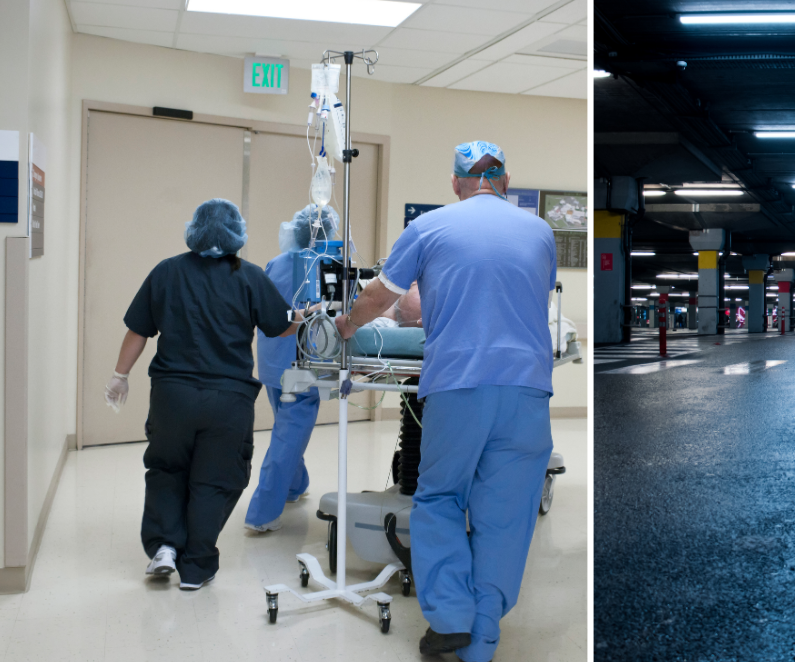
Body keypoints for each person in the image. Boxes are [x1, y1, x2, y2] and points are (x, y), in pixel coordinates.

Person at [335, 141, 555, 662]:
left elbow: (382, 297)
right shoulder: (541, 231)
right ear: (506, 181)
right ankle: (480, 641)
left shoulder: (430, 227)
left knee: (439, 499)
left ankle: (451, 616)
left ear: (456, 184)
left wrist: (346, 325)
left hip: (459, 385)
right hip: (527, 391)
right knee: (506, 515)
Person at [104, 198, 302, 590]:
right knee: (215, 478)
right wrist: (302, 317)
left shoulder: (166, 272)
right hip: (227, 400)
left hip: (172, 398)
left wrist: (119, 375)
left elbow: (138, 330)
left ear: (193, 229)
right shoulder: (249, 277)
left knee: (167, 470)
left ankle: (164, 546)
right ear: (236, 234)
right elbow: (280, 327)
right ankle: (196, 567)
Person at [243, 205, 338, 532]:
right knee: (287, 437)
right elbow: (337, 314)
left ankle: (296, 486)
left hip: (272, 362)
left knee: (286, 429)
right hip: (303, 367)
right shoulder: (327, 266)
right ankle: (262, 513)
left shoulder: (277, 262)